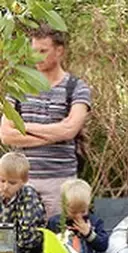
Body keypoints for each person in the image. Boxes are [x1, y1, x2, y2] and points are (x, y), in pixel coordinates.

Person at [0, 24, 92, 219]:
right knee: (16, 242)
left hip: (59, 181)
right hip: (21, 181)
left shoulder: (76, 87)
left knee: (58, 240)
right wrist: (55, 134)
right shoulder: (19, 87)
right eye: (34, 51)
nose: (37, 57)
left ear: (59, 51)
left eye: (43, 51)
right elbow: (6, 135)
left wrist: (23, 127)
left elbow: (69, 130)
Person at [0, 153, 47, 253]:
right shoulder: (3, 196)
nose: (5, 187)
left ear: (24, 180)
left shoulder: (28, 196)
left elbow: (29, 234)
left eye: (12, 183)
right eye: (2, 181)